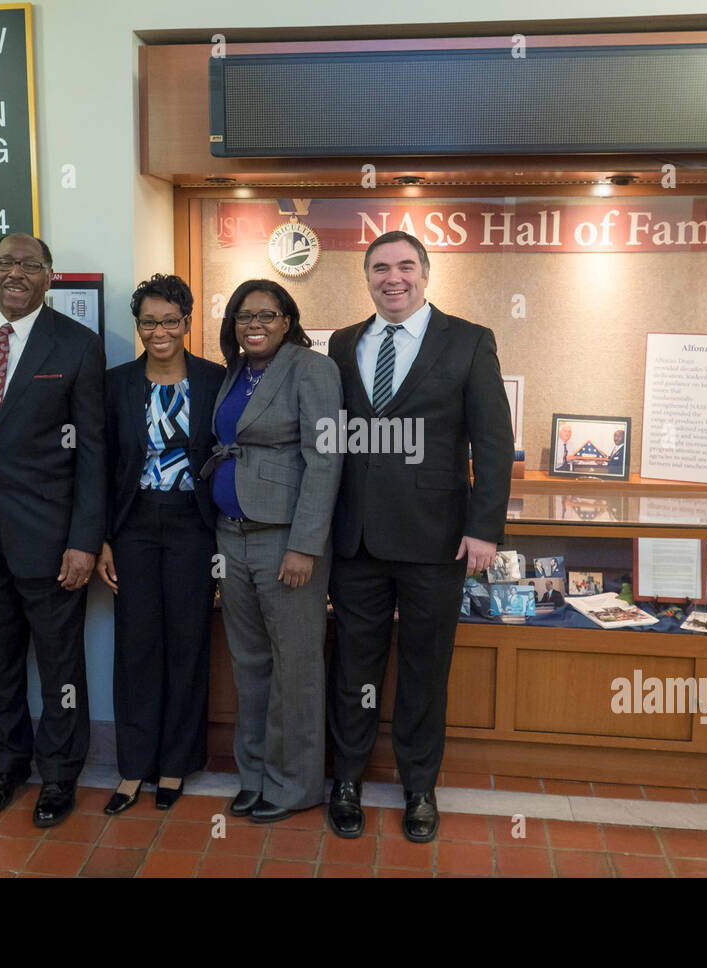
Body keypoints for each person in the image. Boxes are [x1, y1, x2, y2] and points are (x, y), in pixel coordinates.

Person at [326, 231, 513, 843]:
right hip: (356, 541)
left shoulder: (469, 341)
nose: (393, 278)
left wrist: (484, 529)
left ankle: (419, 787)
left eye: (406, 266)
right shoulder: (344, 341)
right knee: (354, 665)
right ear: (368, 278)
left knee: (426, 670)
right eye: (380, 268)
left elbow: (491, 445)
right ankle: (347, 780)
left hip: (438, 543)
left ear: (426, 274)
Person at [0, 233, 105, 828]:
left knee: (62, 664)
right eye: (4, 263)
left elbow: (93, 452)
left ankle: (60, 775)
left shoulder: (78, 345)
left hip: (51, 541)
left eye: (29, 265)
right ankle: (5, 767)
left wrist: (84, 539)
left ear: (49, 276)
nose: (16, 273)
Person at [203, 279, 342, 824]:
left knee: (297, 668)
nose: (253, 324)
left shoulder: (313, 369)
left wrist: (305, 545)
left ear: (288, 319)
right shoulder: (236, 370)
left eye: (265, 314)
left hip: (286, 542)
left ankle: (295, 786)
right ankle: (255, 775)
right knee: (250, 664)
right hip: (230, 536)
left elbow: (325, 458)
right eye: (242, 315)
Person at [94, 274, 225, 815]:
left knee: (189, 643)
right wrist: (100, 538)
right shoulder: (116, 383)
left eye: (170, 320)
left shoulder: (216, 381)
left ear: (187, 323)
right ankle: (133, 768)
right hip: (134, 528)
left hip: (195, 528)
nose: (159, 331)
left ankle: (174, 765)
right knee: (136, 646)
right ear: (139, 325)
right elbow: (100, 466)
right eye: (149, 321)